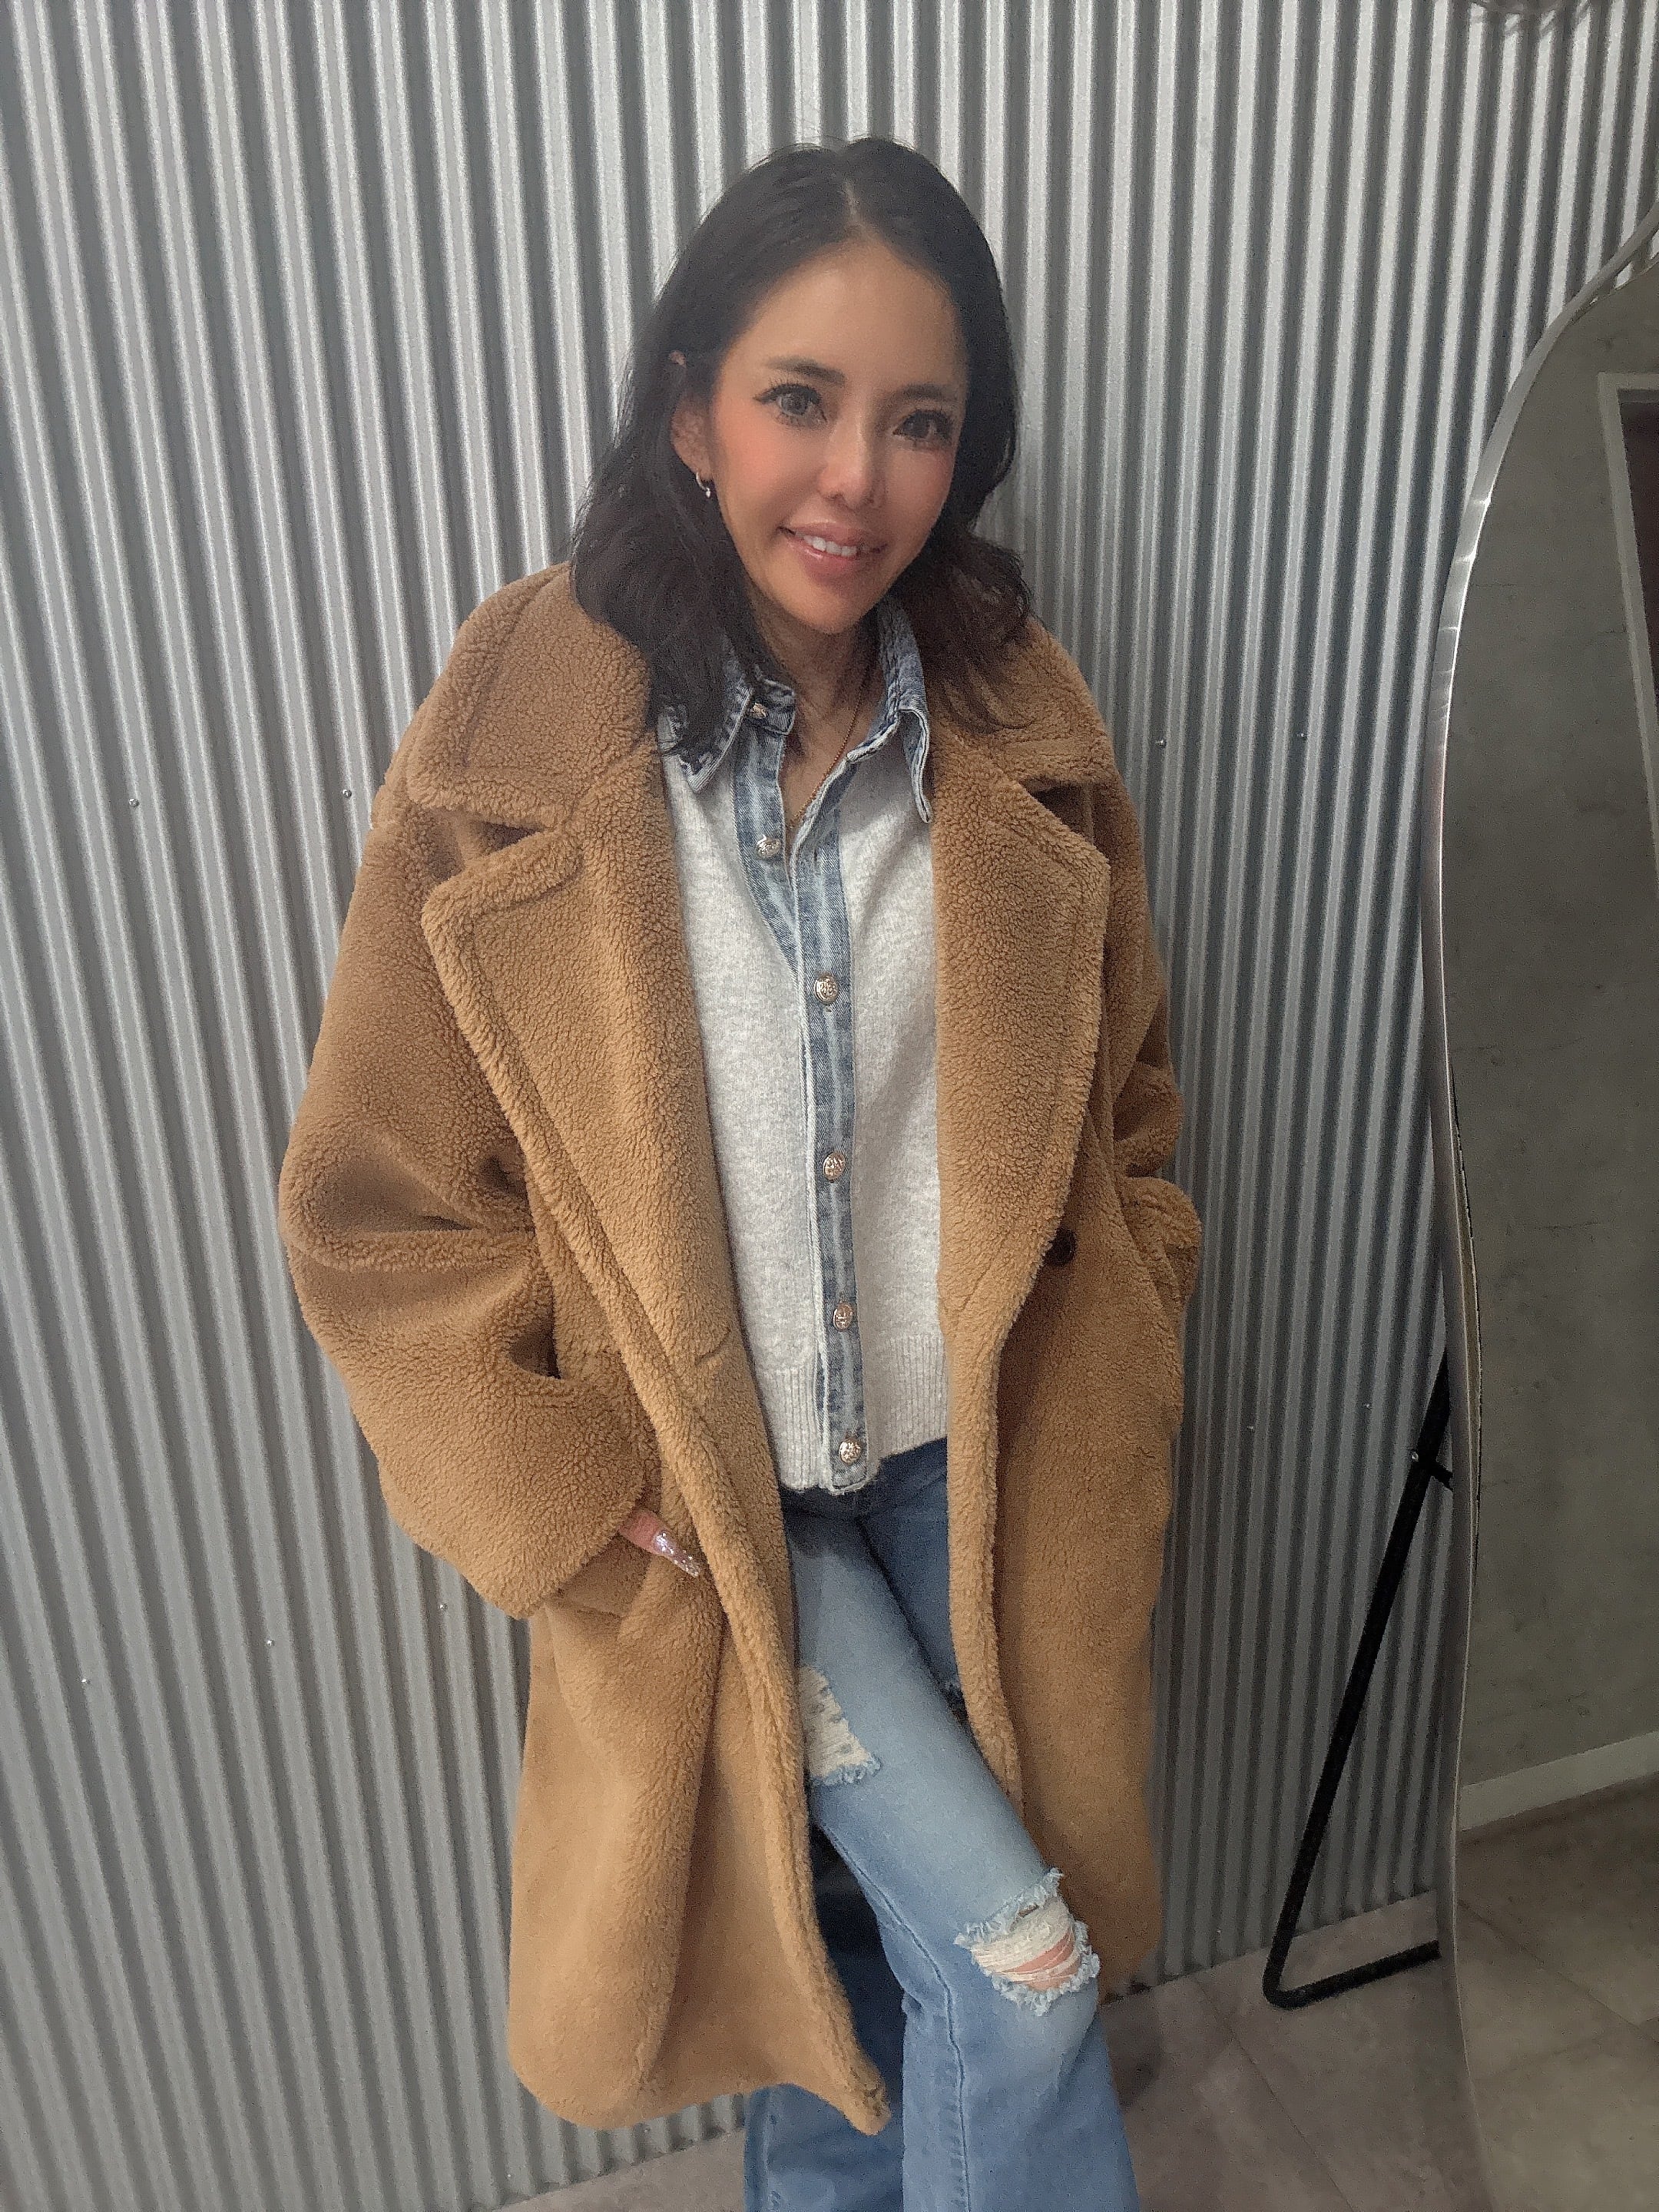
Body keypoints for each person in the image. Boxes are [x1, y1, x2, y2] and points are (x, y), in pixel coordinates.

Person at [278, 134, 1199, 2212]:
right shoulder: (525, 730)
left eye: (919, 421)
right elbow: (379, 1201)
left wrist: (1132, 1314)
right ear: (692, 409)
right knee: (1021, 1981)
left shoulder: (1018, 723)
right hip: (724, 1514)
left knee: (862, 1973)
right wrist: (548, 1472)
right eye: (802, 399)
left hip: (984, 1476)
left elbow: (1126, 1103)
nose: (856, 478)